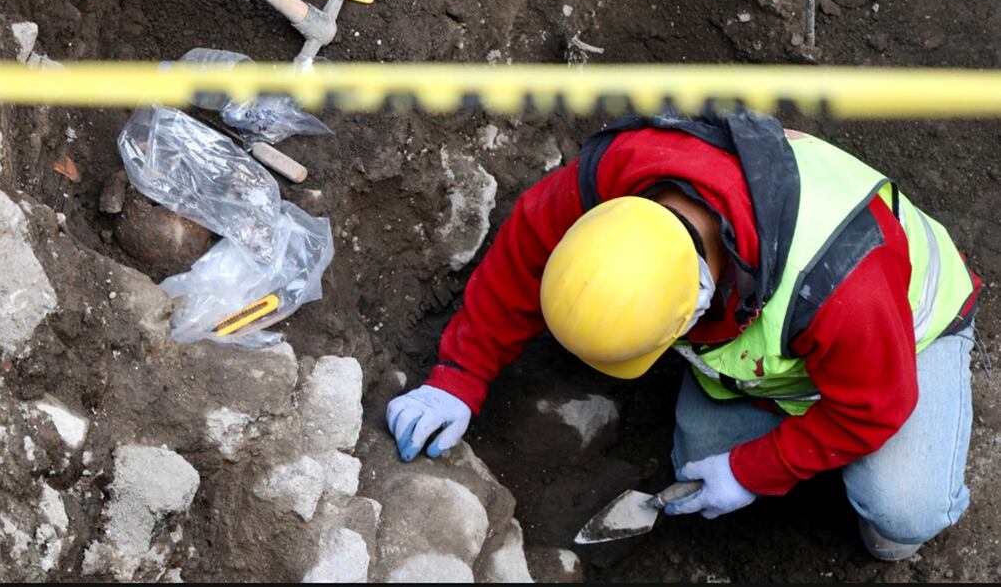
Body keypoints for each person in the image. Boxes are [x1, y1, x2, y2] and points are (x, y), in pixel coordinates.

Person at [385, 110, 981, 561]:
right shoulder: (615, 179)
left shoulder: (839, 285)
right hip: (778, 351)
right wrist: (458, 379)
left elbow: (874, 408)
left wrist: (755, 470)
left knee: (901, 510)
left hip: (908, 336)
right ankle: (795, 440)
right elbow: (521, 255)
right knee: (693, 466)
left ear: (700, 306)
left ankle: (900, 515)